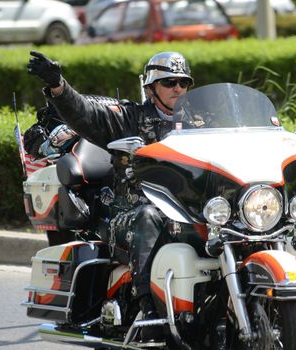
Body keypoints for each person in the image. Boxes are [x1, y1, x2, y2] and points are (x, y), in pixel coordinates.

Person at [26, 50, 195, 342]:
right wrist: (58, 86)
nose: (178, 88)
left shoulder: (201, 125)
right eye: (169, 82)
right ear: (151, 88)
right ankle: (149, 312)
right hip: (130, 214)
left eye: (183, 82)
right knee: (149, 217)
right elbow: (84, 114)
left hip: (189, 213)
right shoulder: (129, 118)